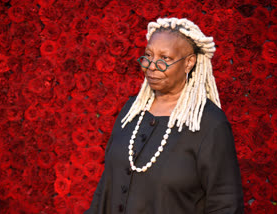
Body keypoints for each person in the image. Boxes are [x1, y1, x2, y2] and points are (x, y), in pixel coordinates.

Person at [85, 17, 244, 214]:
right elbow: (105, 187)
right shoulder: (132, 110)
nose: (151, 66)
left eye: (164, 59)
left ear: (189, 63)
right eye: (148, 56)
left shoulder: (210, 124)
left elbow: (225, 204)